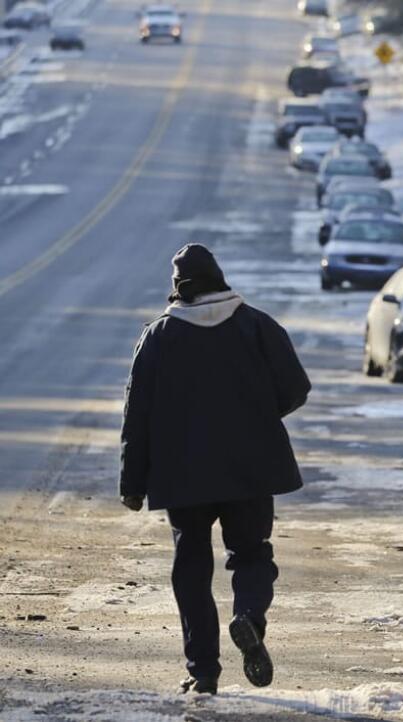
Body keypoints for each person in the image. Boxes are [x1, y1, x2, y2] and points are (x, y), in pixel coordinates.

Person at [118, 244, 311, 695]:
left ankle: (203, 670)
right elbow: (296, 388)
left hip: (183, 474)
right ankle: (248, 616)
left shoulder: (160, 336)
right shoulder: (257, 325)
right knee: (252, 554)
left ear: (178, 290)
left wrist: (132, 483)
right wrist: (258, 417)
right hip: (250, 468)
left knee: (191, 567)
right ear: (219, 278)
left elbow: (137, 414)